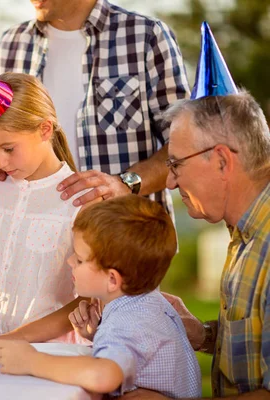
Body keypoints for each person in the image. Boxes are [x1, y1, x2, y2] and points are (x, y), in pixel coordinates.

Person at [118, 22, 270, 400]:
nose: (170, 183)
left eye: (176, 164)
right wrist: (200, 333)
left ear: (220, 160)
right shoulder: (247, 234)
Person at [0, 0, 190, 215]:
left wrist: (125, 183)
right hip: (34, 237)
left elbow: (185, 146)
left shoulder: (146, 36)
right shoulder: (7, 46)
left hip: (127, 234)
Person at [0, 195, 201, 398]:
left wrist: (30, 360)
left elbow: (102, 376)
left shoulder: (125, 322)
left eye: (79, 259)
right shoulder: (150, 301)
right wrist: (98, 335)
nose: (70, 262)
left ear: (112, 280)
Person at [0, 61, 88, 343]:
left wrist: (14, 339)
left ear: (44, 129)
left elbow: (87, 299)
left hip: (46, 357)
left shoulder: (79, 200)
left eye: (8, 148)